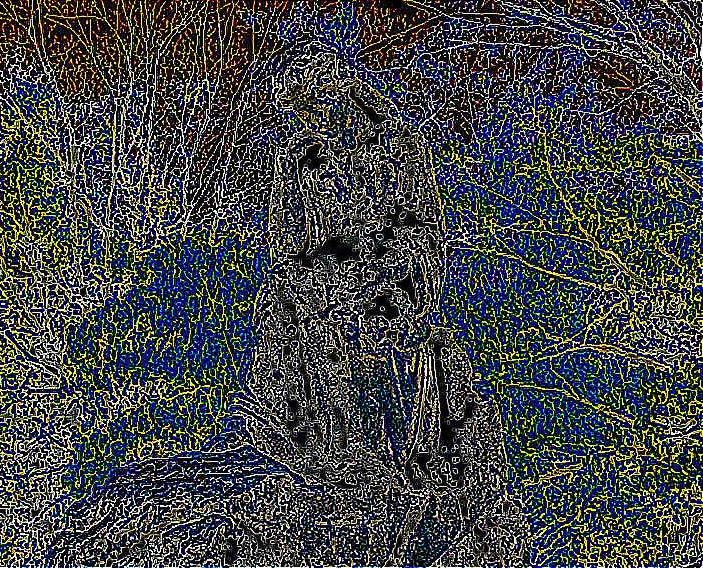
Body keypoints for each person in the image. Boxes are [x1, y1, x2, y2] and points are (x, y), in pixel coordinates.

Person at [48, 48, 528, 567]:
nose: (306, 121)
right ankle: (332, 456)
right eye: (300, 111)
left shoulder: (397, 152)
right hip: (328, 316)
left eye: (312, 106)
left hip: (389, 314)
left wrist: (368, 277)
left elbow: (422, 244)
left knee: (396, 358)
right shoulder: (300, 167)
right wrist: (319, 277)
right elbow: (288, 249)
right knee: (290, 319)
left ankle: (395, 465)